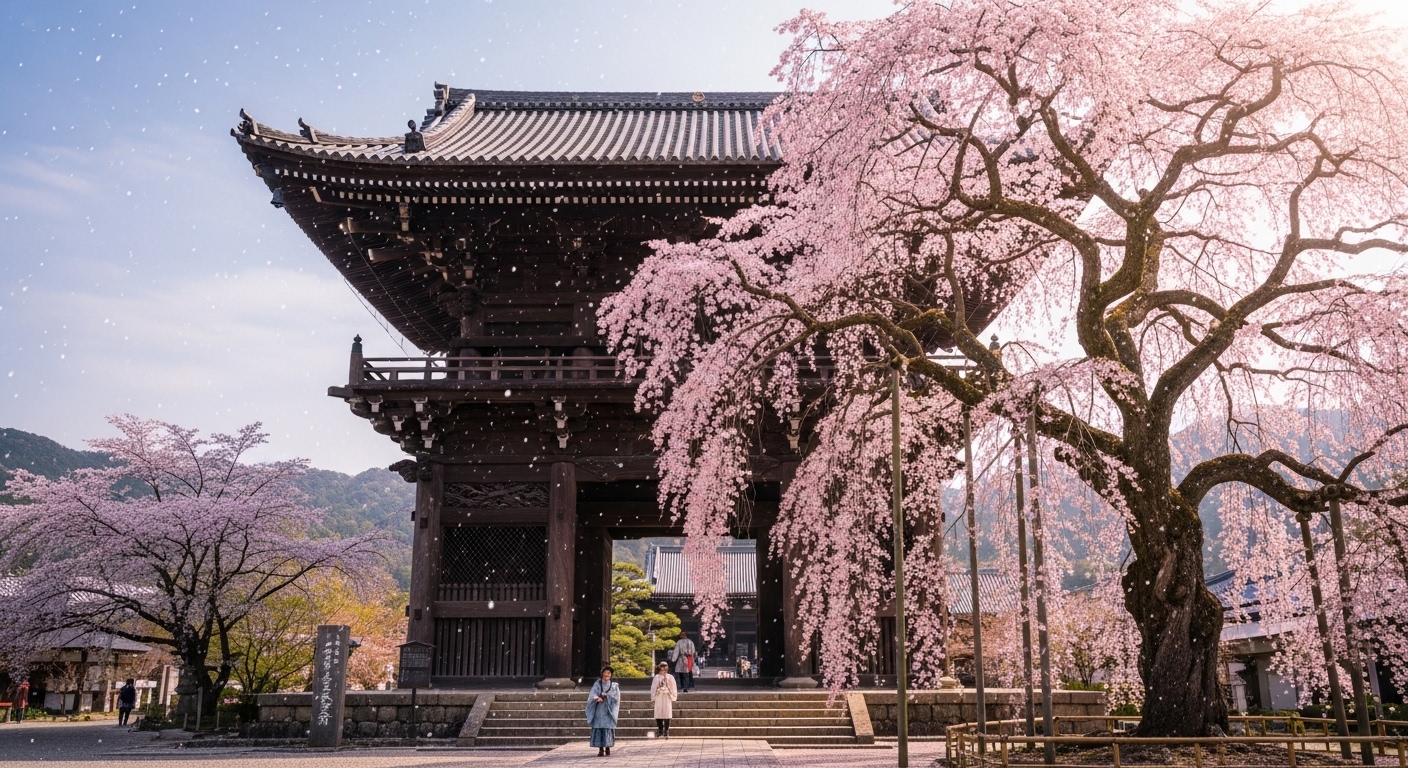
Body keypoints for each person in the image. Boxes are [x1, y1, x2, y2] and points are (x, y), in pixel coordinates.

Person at [585, 665, 620, 757]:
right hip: (599, 710)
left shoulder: (614, 686)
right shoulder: (597, 684)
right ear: (602, 674)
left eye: (608, 674)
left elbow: (616, 698)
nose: (606, 675)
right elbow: (593, 694)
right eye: (605, 674)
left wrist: (607, 696)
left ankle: (607, 748)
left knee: (607, 728)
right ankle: (601, 749)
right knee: (599, 728)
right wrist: (596, 698)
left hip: (609, 710)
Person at [650, 661, 678, 738]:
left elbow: (673, 687)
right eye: (661, 668)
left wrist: (672, 694)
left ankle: (666, 730)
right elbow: (653, 687)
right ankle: (660, 730)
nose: (663, 670)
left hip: (667, 696)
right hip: (659, 696)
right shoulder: (657, 677)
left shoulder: (670, 677)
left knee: (667, 712)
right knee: (659, 712)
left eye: (664, 668)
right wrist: (654, 695)